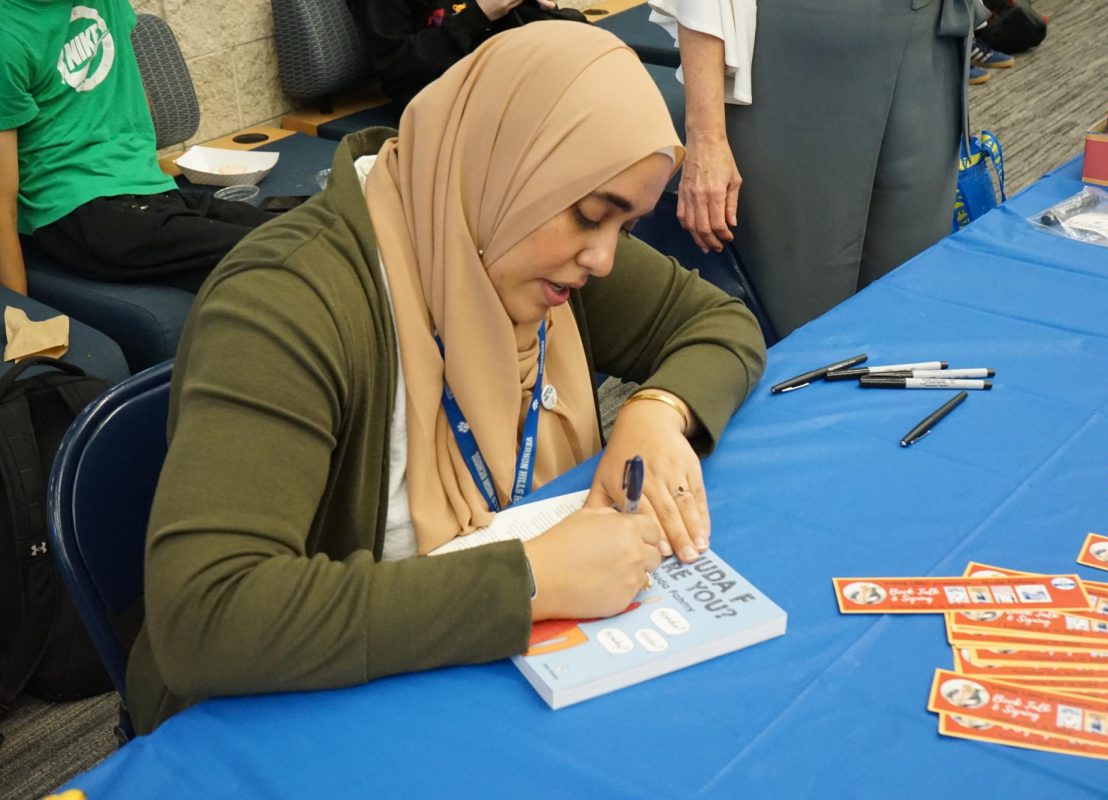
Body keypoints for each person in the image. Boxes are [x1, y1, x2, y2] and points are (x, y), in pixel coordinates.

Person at [126, 21, 766, 734]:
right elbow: (207, 615)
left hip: (451, 671)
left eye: (625, 224)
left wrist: (656, 410)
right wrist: (529, 582)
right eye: (590, 216)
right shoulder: (286, 302)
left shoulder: (516, 235)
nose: (604, 260)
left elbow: (720, 324)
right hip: (292, 714)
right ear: (507, 167)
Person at [652, 0, 985, 336]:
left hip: (929, 43)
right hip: (799, 57)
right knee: (795, 308)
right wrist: (706, 138)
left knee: (909, 292)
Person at [0, 0, 275, 295]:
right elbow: (2, 200)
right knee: (276, 256)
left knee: (303, 231)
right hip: (76, 214)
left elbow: (128, 88)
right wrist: (20, 314)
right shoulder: (7, 36)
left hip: (147, 190)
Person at [347, 0, 587, 109]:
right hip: (442, 88)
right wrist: (480, 14)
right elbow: (397, 65)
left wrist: (552, 13)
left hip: (503, 64)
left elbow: (519, 26)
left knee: (595, 57)